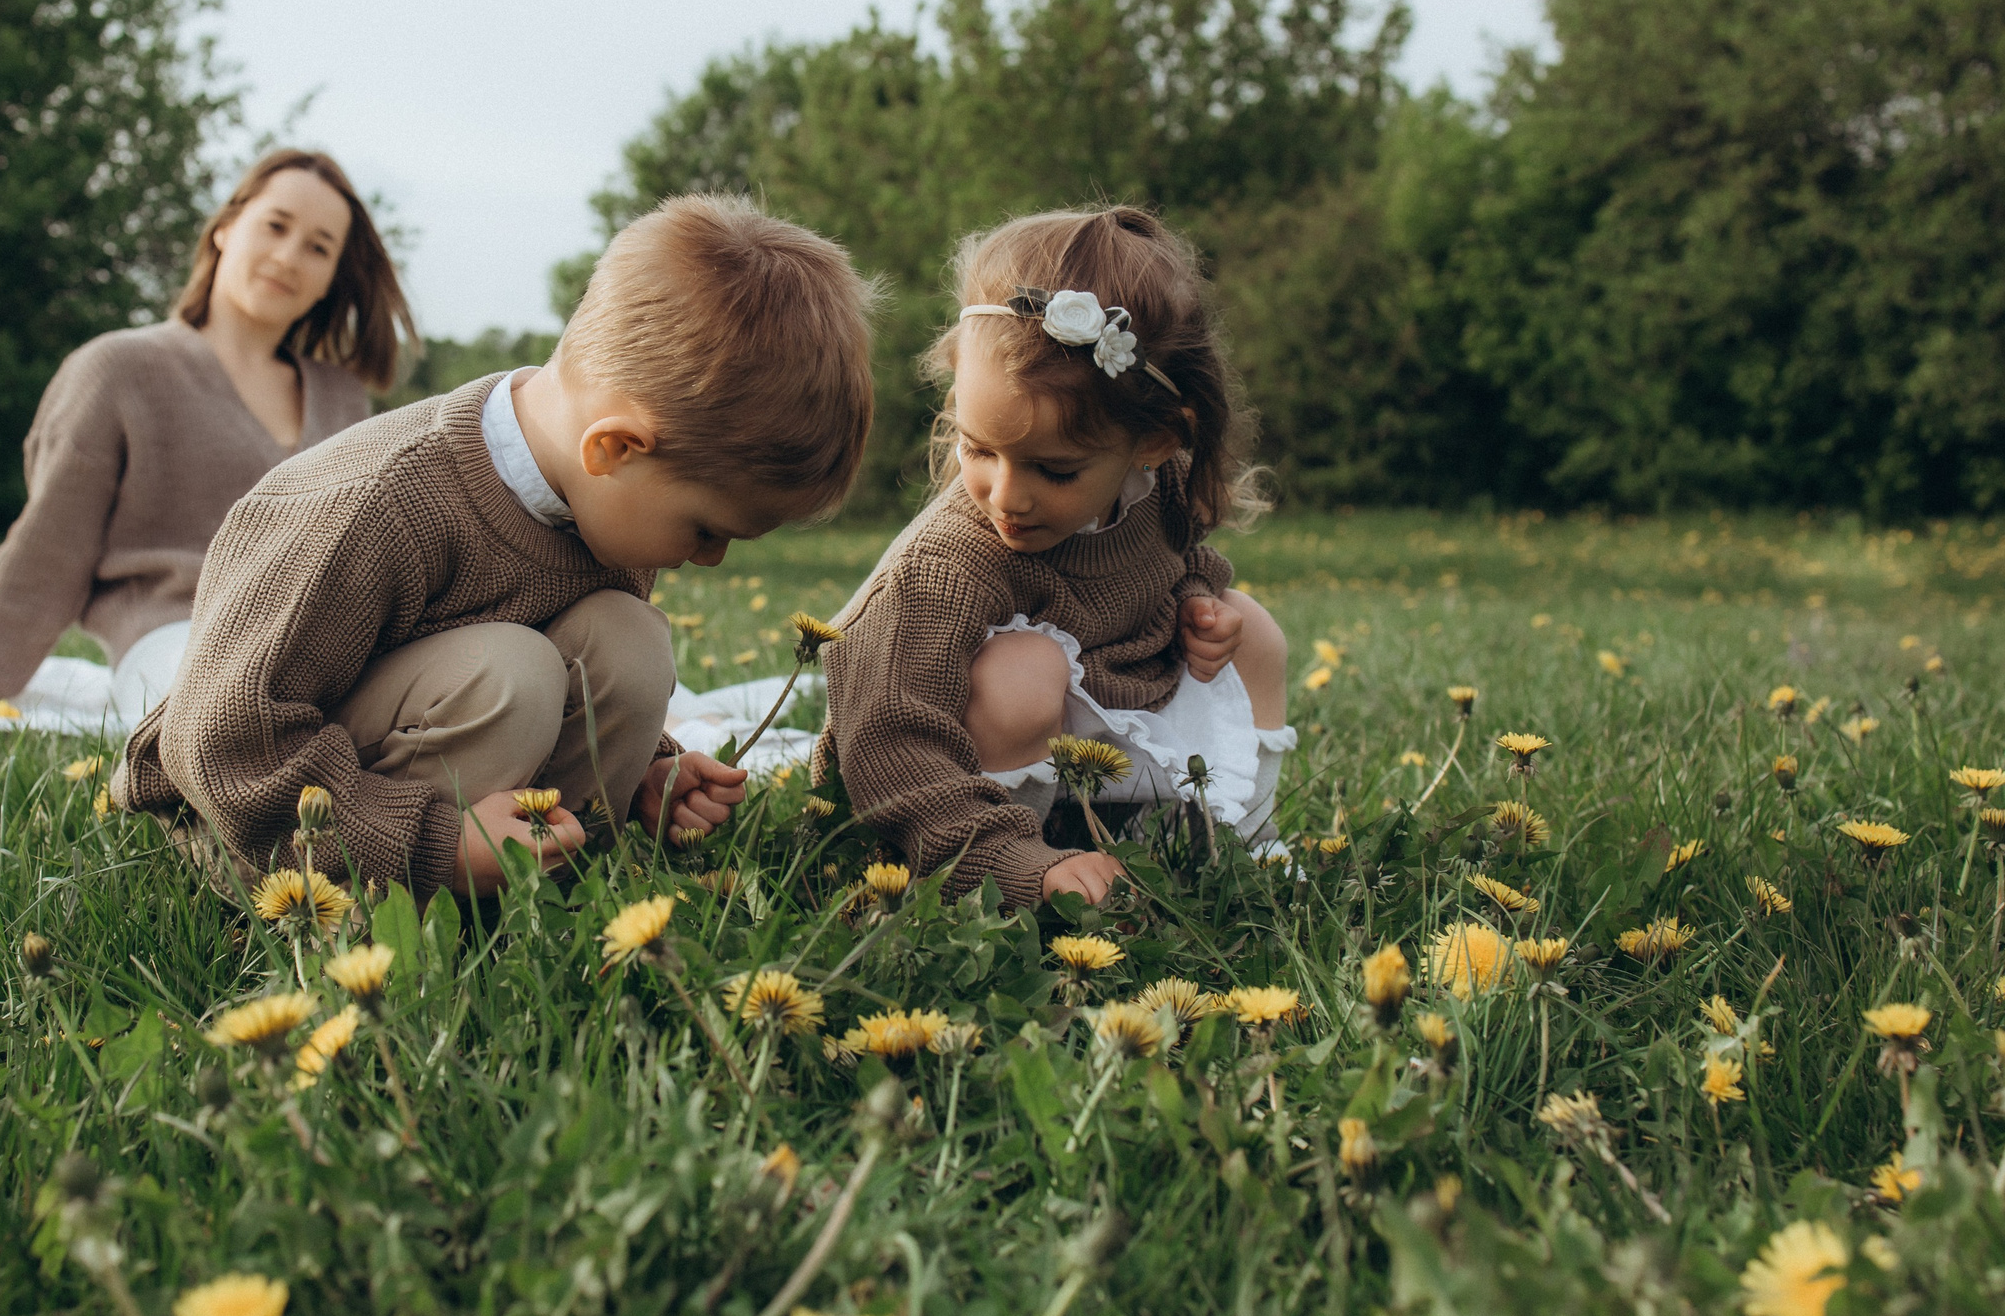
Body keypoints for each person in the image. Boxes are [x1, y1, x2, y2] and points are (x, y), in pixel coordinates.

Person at [112, 196, 880, 899]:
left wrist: (651, 769)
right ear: (614, 447)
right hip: (254, 827)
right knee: (512, 672)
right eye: (706, 530)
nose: (709, 558)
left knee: (630, 638)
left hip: (411, 767)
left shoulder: (604, 503)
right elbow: (223, 742)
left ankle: (548, 892)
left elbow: (576, 666)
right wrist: (434, 848)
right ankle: (417, 903)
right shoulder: (373, 505)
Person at [818, 205, 1292, 912]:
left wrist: (1196, 600)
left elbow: (1172, 556)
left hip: (1103, 716)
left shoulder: (1155, 486)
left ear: (1154, 443)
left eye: (1056, 470)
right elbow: (889, 731)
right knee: (1024, 671)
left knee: (1253, 629)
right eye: (977, 448)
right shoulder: (944, 565)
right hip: (925, 785)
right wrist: (1009, 860)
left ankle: (1233, 843)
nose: (1007, 497)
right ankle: (1010, 871)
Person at [0, 149, 412, 723]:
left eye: (318, 247)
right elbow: (49, 551)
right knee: (234, 723)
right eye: (275, 226)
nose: (288, 257)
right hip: (181, 641)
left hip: (330, 650)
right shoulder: (120, 369)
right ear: (225, 228)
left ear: (332, 279)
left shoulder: (344, 399)